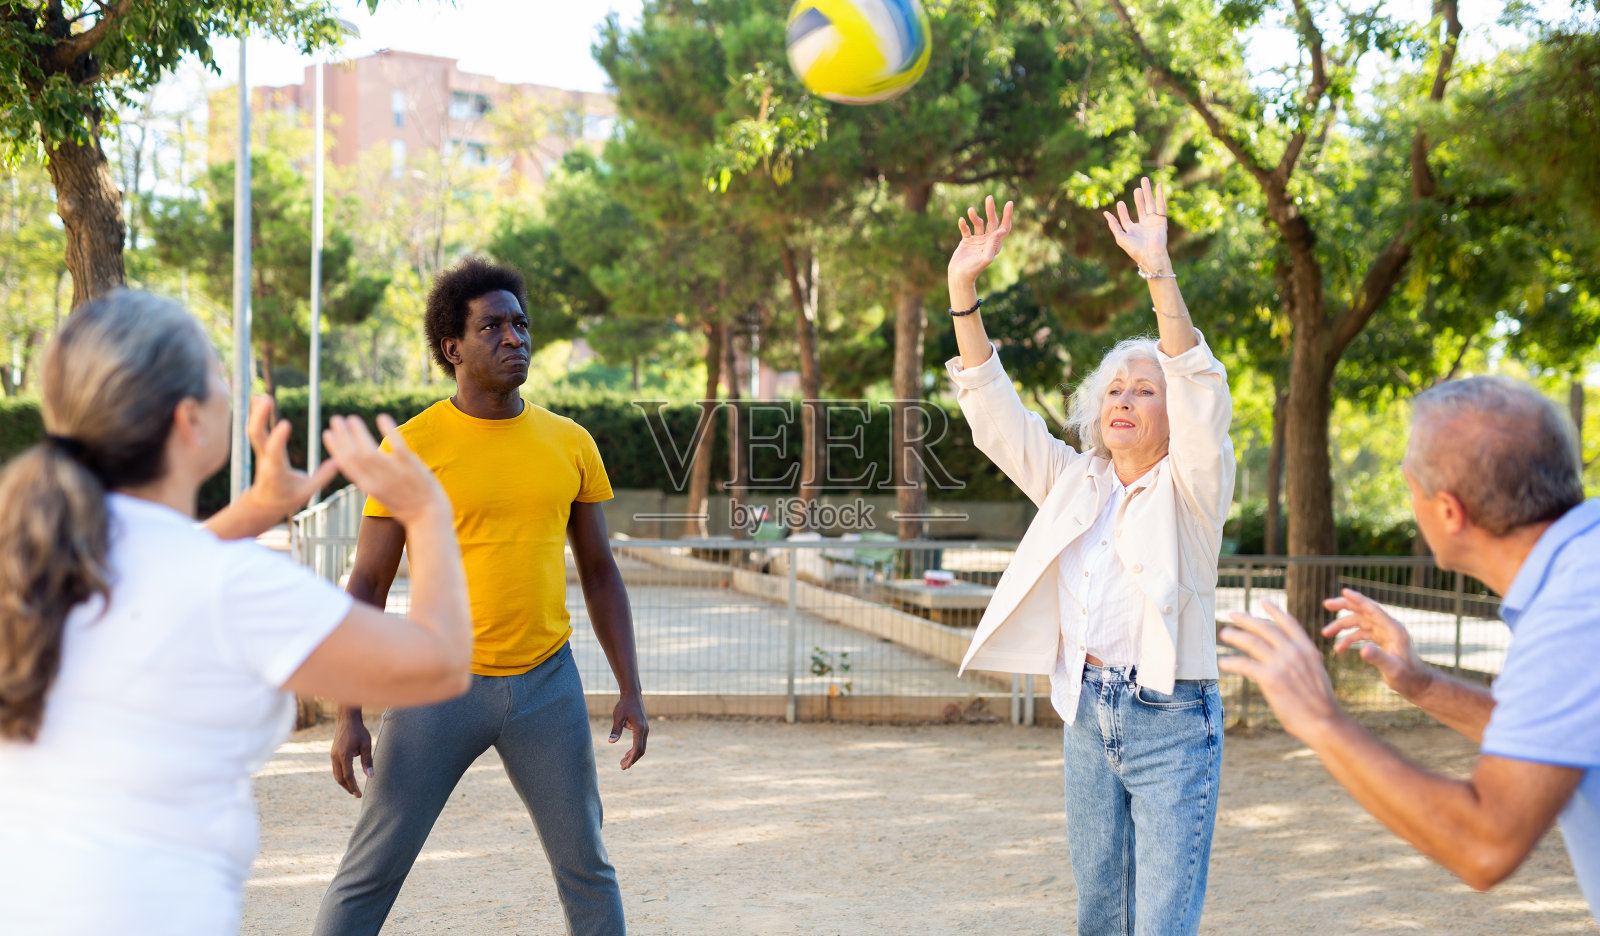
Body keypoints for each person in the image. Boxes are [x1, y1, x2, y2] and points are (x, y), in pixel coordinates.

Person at [0, 290, 473, 935]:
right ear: (189, 420)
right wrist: (428, 512)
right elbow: (440, 668)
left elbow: (153, 570)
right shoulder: (231, 585)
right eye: (220, 378)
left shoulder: (31, 558)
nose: (232, 393)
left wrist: (253, 512)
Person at [314, 257, 647, 936]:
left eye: (521, 324)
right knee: (369, 873)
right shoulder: (410, 445)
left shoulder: (570, 443)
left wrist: (631, 688)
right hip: (435, 685)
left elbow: (600, 572)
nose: (513, 337)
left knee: (588, 868)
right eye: (492, 325)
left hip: (546, 687)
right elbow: (367, 586)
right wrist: (347, 710)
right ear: (452, 347)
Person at [944, 179, 1235, 935]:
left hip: (1172, 718)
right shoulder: (1077, 482)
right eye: (1114, 388)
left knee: (1161, 921)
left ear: (1171, 415)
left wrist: (1158, 272)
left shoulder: (1194, 490)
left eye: (1145, 389)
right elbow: (996, 415)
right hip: (1086, 712)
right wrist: (961, 291)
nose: (1126, 399)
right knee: (1099, 914)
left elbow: (1199, 385)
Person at [1219, 376, 1599, 920]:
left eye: (1410, 486)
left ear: (1448, 512)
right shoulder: (1584, 569)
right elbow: (1549, 730)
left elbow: (1485, 845)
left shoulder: (1574, 610)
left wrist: (1320, 719)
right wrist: (1419, 683)